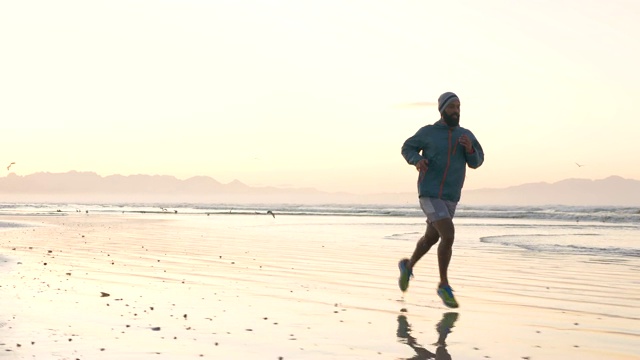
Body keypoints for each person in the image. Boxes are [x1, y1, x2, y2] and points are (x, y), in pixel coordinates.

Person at [399, 92, 484, 308]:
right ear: (442, 109)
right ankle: (443, 285)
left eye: (458, 107)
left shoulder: (465, 135)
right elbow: (407, 147)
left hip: (451, 196)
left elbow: (477, 162)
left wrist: (470, 149)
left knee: (431, 239)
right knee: (448, 234)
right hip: (429, 192)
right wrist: (417, 160)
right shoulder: (428, 132)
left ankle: (408, 266)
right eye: (451, 107)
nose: (456, 111)